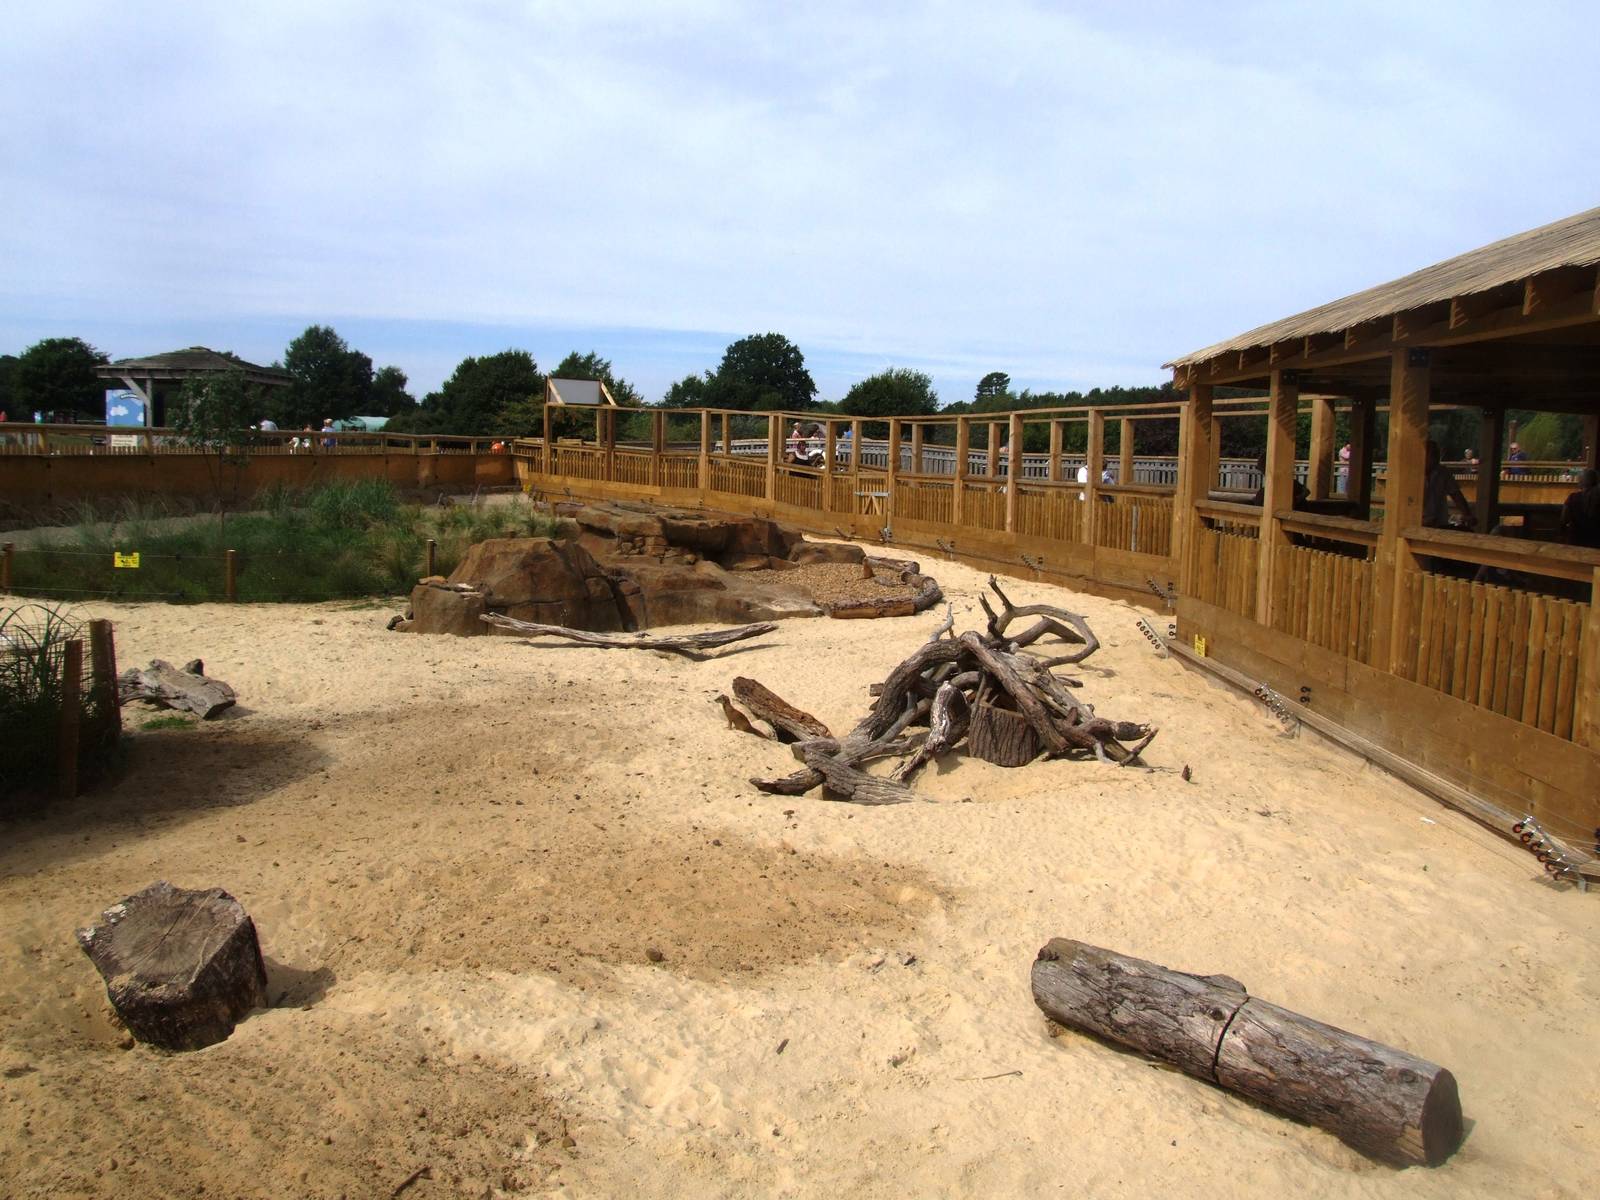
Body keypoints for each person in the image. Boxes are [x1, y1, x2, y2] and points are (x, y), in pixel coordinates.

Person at [1422, 439, 1474, 530]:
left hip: (1439, 524)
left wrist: (1467, 515)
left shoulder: (1443, 472)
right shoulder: (1412, 474)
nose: (1436, 457)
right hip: (1416, 524)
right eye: (1433, 454)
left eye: (1437, 453)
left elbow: (1457, 495)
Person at [1560, 468, 1600, 548]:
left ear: (1581, 482)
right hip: (1596, 544)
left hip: (1576, 543)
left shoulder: (1573, 498)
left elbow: (1564, 519)